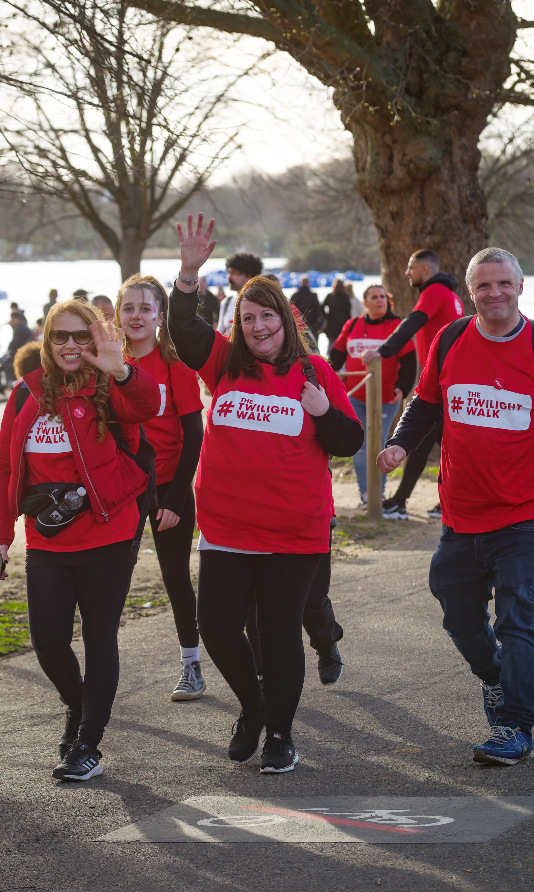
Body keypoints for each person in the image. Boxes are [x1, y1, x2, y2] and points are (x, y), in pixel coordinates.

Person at [377, 246, 534, 766]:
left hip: (525, 511)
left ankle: (514, 726)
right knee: (454, 608)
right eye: (483, 286)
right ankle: (496, 676)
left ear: (521, 286)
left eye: (503, 284)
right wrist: (400, 444)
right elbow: (426, 403)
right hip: (460, 510)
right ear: (470, 292)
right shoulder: (452, 338)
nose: (494, 294)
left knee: (515, 616)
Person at [168, 213, 363, 774]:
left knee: (278, 634)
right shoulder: (224, 365)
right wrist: (187, 273)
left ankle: (280, 732)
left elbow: (348, 439)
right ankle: (253, 707)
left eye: (266, 316)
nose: (257, 326)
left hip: (292, 533)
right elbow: (183, 327)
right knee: (219, 627)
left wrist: (323, 413)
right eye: (248, 317)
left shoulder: (314, 372)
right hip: (227, 530)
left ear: (285, 318)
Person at [0, 302, 161, 782]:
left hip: (108, 530)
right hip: (48, 538)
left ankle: (88, 743)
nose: (69, 346)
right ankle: (78, 703)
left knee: (99, 635)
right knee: (48, 641)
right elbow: (2, 465)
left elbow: (150, 406)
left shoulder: (111, 385)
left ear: (94, 339)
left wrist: (118, 368)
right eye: (60, 336)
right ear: (47, 340)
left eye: (80, 336)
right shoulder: (26, 393)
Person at [115, 274, 207, 700]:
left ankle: (192, 665)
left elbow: (194, 436)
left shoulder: (176, 367)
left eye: (145, 308)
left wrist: (174, 497)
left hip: (169, 485)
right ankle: (102, 672)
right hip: (123, 488)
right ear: (117, 314)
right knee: (112, 578)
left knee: (174, 576)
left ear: (160, 315)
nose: (136, 316)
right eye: (128, 308)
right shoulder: (110, 365)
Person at [361, 248, 465, 521]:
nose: (407, 273)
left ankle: (407, 502)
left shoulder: (435, 292)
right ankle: (412, 501)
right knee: (439, 444)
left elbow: (412, 322)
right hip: (449, 380)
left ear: (425, 270)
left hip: (443, 383)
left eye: (411, 267)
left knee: (431, 443)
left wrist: (382, 351)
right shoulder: (453, 296)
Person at [329, 284, 417, 506]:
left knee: (378, 444)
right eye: (374, 297)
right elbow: (336, 355)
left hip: (386, 398)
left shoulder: (397, 326)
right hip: (355, 395)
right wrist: (330, 380)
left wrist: (402, 388)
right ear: (365, 303)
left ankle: (378, 493)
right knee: (360, 443)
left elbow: (409, 362)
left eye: (383, 297)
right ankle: (366, 494)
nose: (380, 301)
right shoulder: (353, 324)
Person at [218, 252, 263, 335]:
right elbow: (219, 334)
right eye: (228, 273)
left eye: (233, 273)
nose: (229, 277)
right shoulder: (226, 303)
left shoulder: (262, 301)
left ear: (248, 276)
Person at [290, 276, 324, 350]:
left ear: (300, 284)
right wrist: (317, 326)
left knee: (300, 349)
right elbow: (318, 311)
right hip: (312, 326)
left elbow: (290, 312)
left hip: (298, 327)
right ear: (308, 283)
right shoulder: (313, 296)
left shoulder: (295, 296)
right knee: (313, 348)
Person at [321, 279, 352, 355]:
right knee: (342, 341)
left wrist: (326, 316)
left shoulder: (330, 296)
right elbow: (349, 309)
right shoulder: (345, 297)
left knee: (331, 342)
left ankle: (329, 359)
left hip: (332, 321)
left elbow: (322, 307)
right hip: (342, 321)